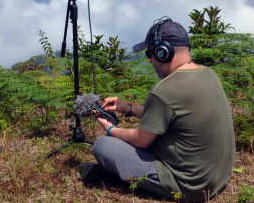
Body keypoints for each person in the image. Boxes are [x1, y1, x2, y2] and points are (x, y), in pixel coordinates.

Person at [79, 17, 235, 202]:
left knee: (103, 146)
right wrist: (127, 108)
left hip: (189, 187)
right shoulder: (208, 73)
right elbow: (171, 113)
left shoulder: (164, 89)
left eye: (151, 53)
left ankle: (124, 178)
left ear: (164, 52)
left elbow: (140, 140)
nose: (151, 60)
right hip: (217, 179)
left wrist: (110, 129)